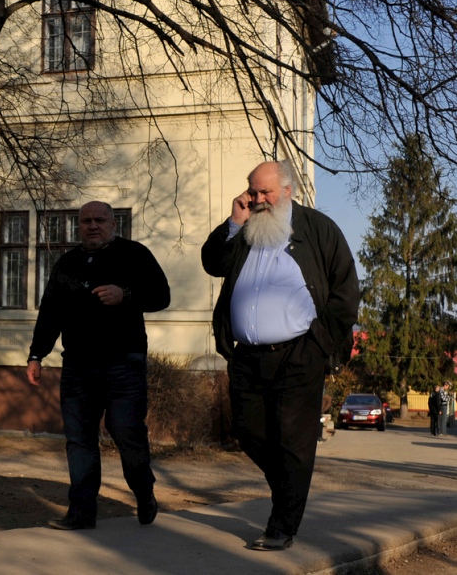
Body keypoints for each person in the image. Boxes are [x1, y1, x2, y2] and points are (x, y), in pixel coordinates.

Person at [201, 161, 359, 551]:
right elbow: (212, 263)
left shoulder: (318, 230)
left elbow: (346, 292)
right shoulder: (247, 230)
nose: (256, 199)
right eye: (252, 192)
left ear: (287, 190)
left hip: (298, 355)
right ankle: (292, 486)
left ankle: (281, 525)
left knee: (292, 440)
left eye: (264, 192)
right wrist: (233, 223)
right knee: (247, 430)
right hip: (247, 356)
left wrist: (318, 345)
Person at [26, 201, 170, 530]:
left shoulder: (134, 254)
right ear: (79, 225)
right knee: (79, 440)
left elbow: (160, 295)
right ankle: (81, 512)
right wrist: (37, 354)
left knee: (126, 431)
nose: (93, 225)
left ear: (113, 223)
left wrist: (126, 294)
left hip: (124, 364)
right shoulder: (67, 263)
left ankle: (143, 490)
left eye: (100, 220)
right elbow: (50, 312)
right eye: (86, 220)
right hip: (77, 367)